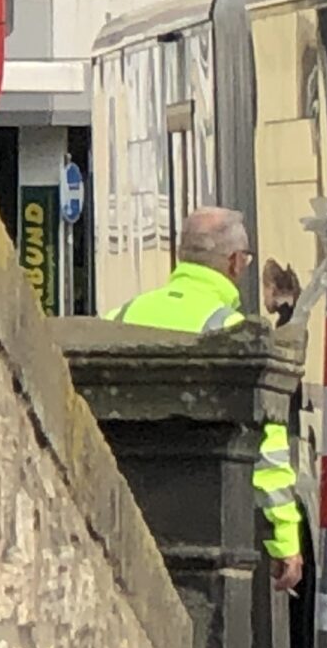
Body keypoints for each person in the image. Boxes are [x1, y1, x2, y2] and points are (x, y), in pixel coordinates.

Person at [112, 209, 305, 593]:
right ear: (235, 262)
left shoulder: (120, 317)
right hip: (204, 528)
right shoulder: (236, 335)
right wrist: (284, 539)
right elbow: (269, 454)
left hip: (123, 520)